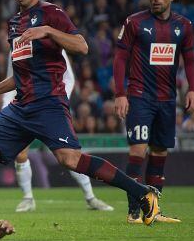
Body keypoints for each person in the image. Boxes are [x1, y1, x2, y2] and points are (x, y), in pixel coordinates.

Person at [0, 0, 161, 229]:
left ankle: (143, 193)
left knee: (69, 159)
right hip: (21, 105)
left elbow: (82, 46)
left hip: (48, 103)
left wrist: (48, 31)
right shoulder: (14, 24)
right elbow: (22, 73)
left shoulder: (52, 13)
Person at [113, 0, 194, 224]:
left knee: (160, 152)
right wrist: (121, 93)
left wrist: (192, 89)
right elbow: (120, 59)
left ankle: (154, 209)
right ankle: (133, 212)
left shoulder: (183, 25)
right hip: (140, 97)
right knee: (138, 150)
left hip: (167, 99)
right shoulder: (134, 23)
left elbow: (191, 60)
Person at [7, 51, 114, 213]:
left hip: (51, 106)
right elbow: (12, 76)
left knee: (70, 155)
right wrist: (8, 103)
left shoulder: (53, 42)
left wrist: (59, 100)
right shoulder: (16, 41)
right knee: (20, 153)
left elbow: (68, 77)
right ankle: (28, 199)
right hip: (24, 106)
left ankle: (91, 197)